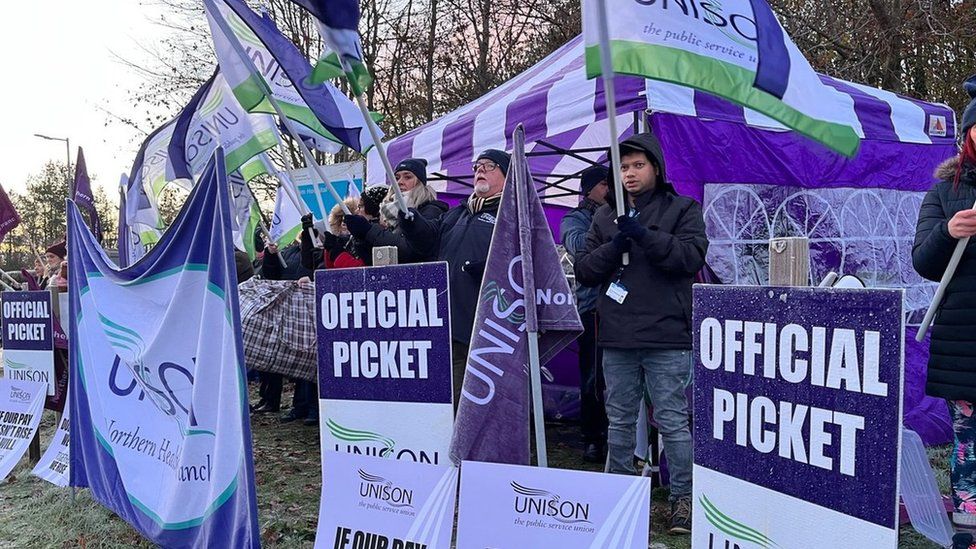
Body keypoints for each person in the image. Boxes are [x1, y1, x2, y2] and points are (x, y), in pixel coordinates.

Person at [575, 133, 707, 535]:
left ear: (655, 168)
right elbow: (585, 270)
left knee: (670, 419)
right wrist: (618, 242)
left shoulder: (682, 208)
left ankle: (682, 497)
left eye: (637, 165)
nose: (629, 173)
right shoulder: (603, 216)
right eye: (623, 166)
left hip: (666, 334)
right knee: (618, 418)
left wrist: (645, 235)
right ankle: (617, 489)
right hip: (616, 334)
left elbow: (689, 258)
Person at [912, 74, 976, 549]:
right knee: (969, 440)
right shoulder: (945, 192)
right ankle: (970, 527)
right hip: (965, 341)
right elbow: (924, 263)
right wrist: (949, 231)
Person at [401, 149, 510, 406]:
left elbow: (524, 261)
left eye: (489, 165)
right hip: (450, 321)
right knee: (452, 396)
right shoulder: (458, 212)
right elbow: (427, 240)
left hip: (492, 325)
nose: (479, 170)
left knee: (484, 398)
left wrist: (491, 268)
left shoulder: (512, 213)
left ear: (508, 175)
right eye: (476, 166)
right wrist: (410, 219)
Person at [560, 164, 610, 463]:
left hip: (628, 308)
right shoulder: (574, 218)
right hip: (593, 307)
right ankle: (593, 437)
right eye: (604, 184)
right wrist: (610, 230)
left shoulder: (625, 210)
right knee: (593, 376)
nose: (609, 188)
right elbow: (578, 246)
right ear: (589, 189)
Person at [342, 158, 448, 263]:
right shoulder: (387, 213)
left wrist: (369, 231)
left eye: (408, 177)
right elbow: (374, 260)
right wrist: (361, 238)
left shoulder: (431, 211)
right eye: (397, 178)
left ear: (420, 182)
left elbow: (410, 251)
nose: (400, 182)